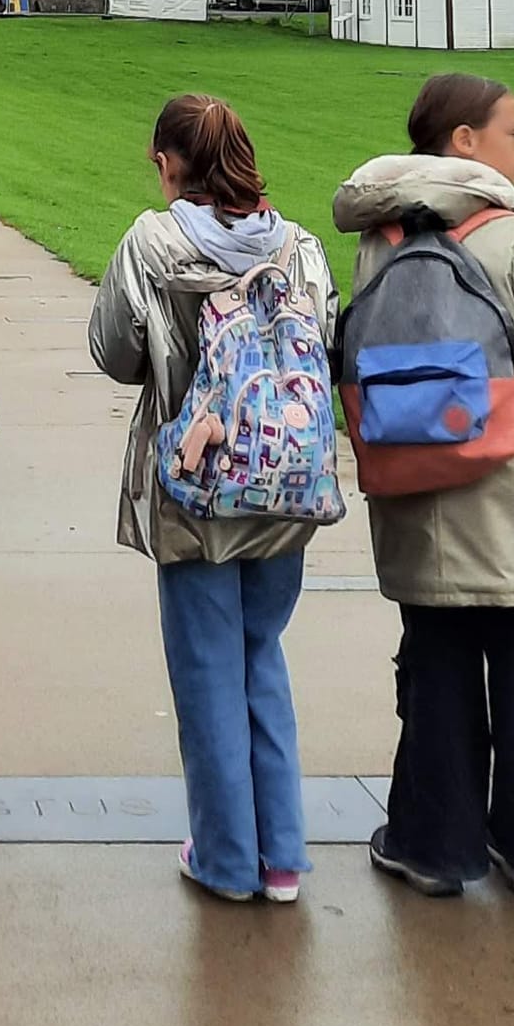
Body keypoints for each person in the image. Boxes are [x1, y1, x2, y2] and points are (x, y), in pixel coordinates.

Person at [334, 76, 514, 897]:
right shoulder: (511, 238)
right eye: (513, 133)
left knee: (437, 671)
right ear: (463, 142)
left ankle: (433, 847)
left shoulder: (380, 238)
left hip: (417, 494)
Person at [90, 93, 337, 904]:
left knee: (205, 674)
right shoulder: (297, 248)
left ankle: (226, 857)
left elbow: (116, 352)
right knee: (262, 657)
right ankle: (283, 857)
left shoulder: (153, 243)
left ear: (168, 164)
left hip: (195, 486)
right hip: (283, 485)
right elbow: (324, 340)